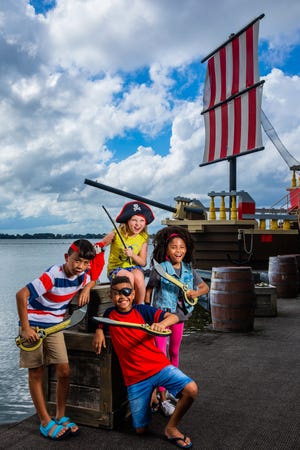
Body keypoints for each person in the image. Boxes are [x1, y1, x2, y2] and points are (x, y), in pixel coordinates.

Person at [93, 275, 198, 448]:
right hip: (135, 380)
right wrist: (98, 331)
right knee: (140, 430)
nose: (122, 296)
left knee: (191, 390)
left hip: (159, 367)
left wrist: (161, 324)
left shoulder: (142, 311)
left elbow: (174, 317)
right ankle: (151, 396)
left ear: (133, 294)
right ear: (111, 297)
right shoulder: (108, 315)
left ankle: (171, 428)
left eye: (126, 292)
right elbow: (100, 323)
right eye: (116, 293)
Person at [16, 239, 98, 440]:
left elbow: (92, 277)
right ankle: (45, 421)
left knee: (64, 371)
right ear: (66, 258)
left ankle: (60, 415)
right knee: (36, 372)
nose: (80, 266)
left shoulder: (82, 276)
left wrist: (87, 289)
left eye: (85, 263)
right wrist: (25, 328)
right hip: (33, 324)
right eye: (76, 261)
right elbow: (21, 295)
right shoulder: (53, 275)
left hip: (55, 327)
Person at [145, 226, 209, 417]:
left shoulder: (189, 269)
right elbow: (149, 291)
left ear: (186, 249)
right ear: (166, 249)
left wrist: (195, 292)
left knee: (174, 352)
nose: (178, 250)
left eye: (182, 247)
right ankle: (161, 397)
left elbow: (205, 287)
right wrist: (147, 313)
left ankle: (172, 388)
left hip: (180, 316)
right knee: (160, 355)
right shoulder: (159, 269)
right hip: (161, 317)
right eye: (174, 247)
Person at [95, 201, 155, 304]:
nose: (138, 224)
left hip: (134, 267)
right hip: (115, 269)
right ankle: (127, 306)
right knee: (129, 277)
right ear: (127, 221)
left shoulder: (143, 237)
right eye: (134, 220)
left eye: (141, 221)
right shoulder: (116, 233)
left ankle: (140, 306)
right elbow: (100, 246)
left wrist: (132, 255)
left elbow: (143, 263)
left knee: (139, 277)